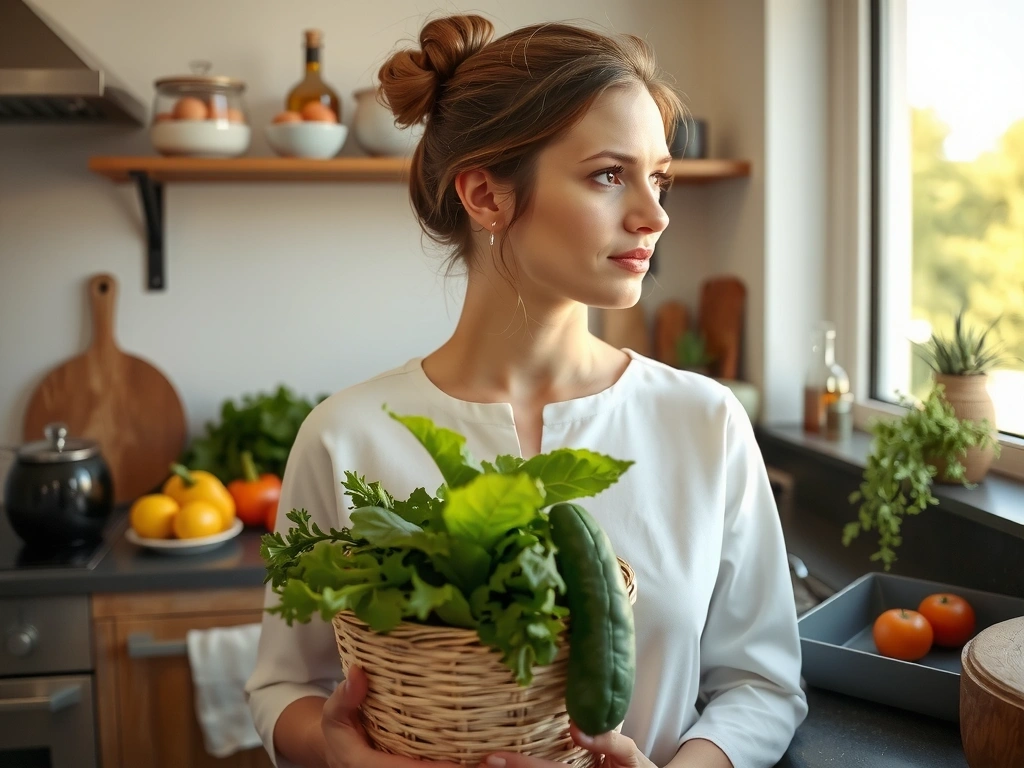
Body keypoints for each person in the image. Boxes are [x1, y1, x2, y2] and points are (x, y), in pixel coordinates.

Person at [245, 13, 808, 768]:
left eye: (659, 177)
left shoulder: (704, 421)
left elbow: (763, 684)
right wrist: (343, 755)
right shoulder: (347, 435)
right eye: (611, 174)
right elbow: (284, 686)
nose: (656, 213)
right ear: (485, 195)